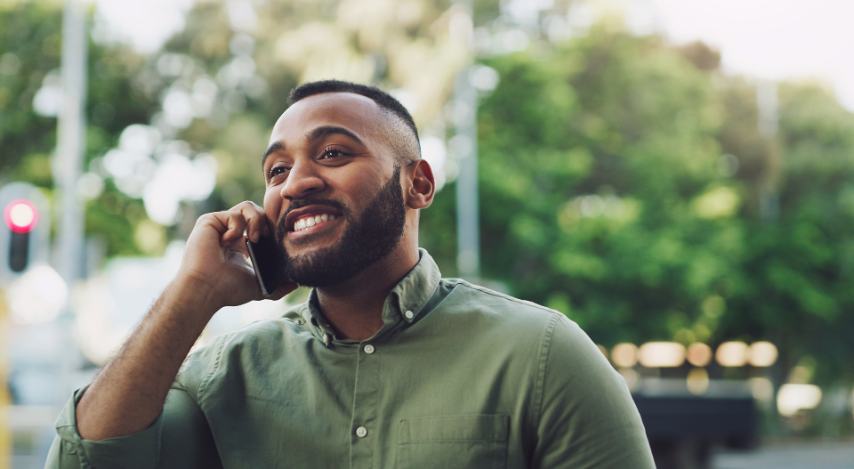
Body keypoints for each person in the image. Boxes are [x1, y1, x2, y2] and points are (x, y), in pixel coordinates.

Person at [46, 80, 654, 468]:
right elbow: (87, 460)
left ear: (418, 183)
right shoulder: (218, 378)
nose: (298, 181)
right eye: (277, 170)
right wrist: (193, 293)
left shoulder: (543, 357)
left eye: (333, 153)